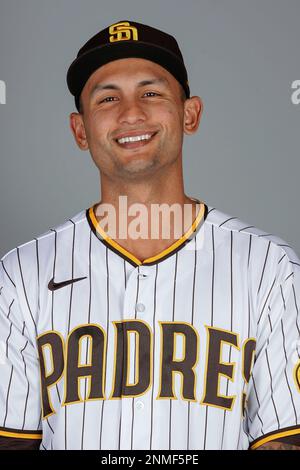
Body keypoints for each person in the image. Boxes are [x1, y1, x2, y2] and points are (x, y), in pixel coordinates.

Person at [0, 20, 300, 451]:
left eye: (151, 92)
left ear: (189, 113)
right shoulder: (20, 276)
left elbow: (285, 442)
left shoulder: (268, 267)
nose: (131, 113)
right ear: (80, 130)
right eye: (107, 98)